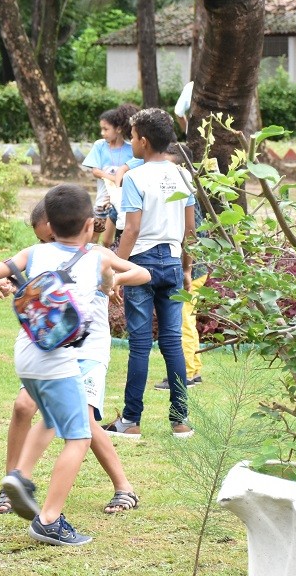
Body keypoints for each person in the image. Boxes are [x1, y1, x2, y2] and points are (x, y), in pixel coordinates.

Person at [0, 185, 150, 545]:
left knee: (52, 418)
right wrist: (112, 279)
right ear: (89, 224)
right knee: (79, 435)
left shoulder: (33, 253)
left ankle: (19, 475)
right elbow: (143, 274)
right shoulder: (98, 257)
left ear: (49, 223)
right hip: (61, 358)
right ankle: (49, 519)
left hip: (28, 355)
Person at [0, 198, 144, 518]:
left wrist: (114, 280)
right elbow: (5, 270)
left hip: (88, 347)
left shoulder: (96, 255)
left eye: (49, 236)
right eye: (43, 239)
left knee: (79, 418)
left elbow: (140, 273)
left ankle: (123, 486)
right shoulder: (43, 253)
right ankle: (12, 485)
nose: (49, 243)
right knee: (23, 406)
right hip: (54, 346)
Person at [106, 107, 196, 441]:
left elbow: (131, 230)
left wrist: (118, 268)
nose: (130, 141)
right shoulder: (182, 176)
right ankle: (180, 420)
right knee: (173, 342)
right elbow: (190, 229)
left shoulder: (134, 177)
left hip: (140, 263)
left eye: (131, 136)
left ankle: (131, 420)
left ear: (142, 141)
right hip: (172, 262)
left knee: (141, 345)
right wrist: (186, 267)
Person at [155, 142, 206, 391]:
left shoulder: (185, 192)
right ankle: (194, 369)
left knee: (182, 319)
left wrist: (187, 269)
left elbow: (191, 235)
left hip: (192, 268)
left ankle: (185, 372)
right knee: (188, 318)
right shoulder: (186, 189)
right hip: (196, 267)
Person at [81, 104, 137, 247]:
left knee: (109, 239)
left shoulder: (131, 149)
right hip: (102, 200)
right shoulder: (100, 146)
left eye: (106, 129)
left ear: (118, 129)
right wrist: (116, 178)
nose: (102, 133)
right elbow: (96, 171)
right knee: (94, 235)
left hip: (119, 201)